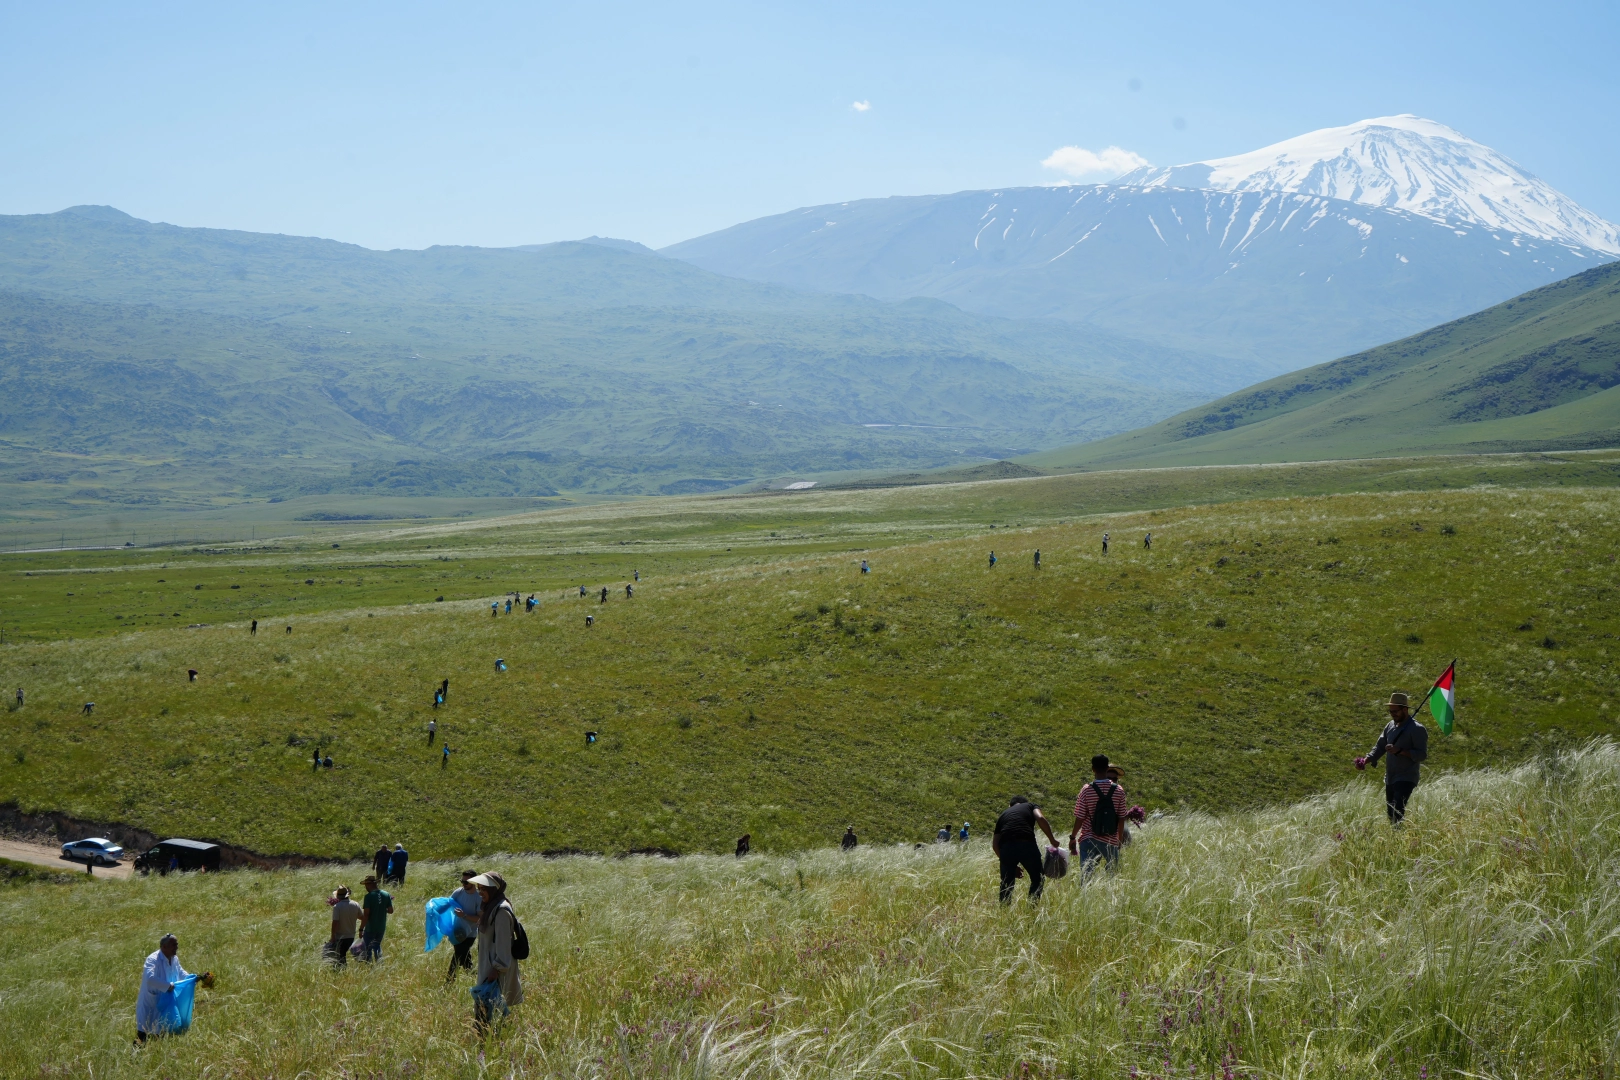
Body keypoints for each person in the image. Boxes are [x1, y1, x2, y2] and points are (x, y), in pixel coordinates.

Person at [1357, 691, 1430, 823]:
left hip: (1407, 777)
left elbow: (1422, 755)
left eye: (1395, 711)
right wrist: (1367, 760)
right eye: (1391, 711)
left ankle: (1399, 837)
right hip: (1390, 777)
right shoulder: (1390, 726)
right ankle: (1396, 837)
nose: (1393, 714)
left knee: (1397, 810)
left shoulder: (1417, 729)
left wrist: (1400, 751)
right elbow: (1380, 747)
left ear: (1405, 709)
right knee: (1391, 813)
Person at [469, 870, 523, 1032]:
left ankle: (492, 1042)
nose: (480, 893)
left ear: (493, 890)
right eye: (478, 889)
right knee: (488, 1009)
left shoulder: (501, 912)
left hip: (496, 969)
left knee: (492, 1009)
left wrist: (497, 968)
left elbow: (504, 944)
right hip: (489, 965)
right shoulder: (490, 907)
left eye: (483, 889)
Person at [1070, 754, 1131, 876]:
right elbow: (1121, 818)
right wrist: (1119, 840)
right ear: (1107, 768)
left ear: (1093, 769)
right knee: (1112, 875)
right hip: (1111, 839)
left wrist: (1073, 837)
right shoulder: (1118, 790)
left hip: (1089, 838)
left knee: (1087, 876)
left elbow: (1080, 817)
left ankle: (1086, 894)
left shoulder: (1087, 789)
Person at [993, 796, 1060, 902]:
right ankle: (1032, 908)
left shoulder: (1003, 814)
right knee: (1038, 879)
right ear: (1024, 803)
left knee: (1006, 883)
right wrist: (1052, 840)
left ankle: (1004, 911)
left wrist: (1009, 863)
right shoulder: (1031, 805)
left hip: (1006, 848)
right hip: (1026, 844)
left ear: (1010, 805)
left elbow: (995, 844)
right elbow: (1041, 818)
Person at [135, 933, 191, 1043]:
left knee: (161, 1034)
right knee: (143, 1034)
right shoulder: (152, 959)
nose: (176, 947)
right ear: (164, 947)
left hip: (165, 1004)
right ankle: (135, 1057)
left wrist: (194, 978)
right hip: (151, 1003)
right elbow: (150, 978)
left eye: (177, 944)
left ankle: (154, 1057)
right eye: (173, 945)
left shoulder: (174, 959)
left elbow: (181, 973)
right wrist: (167, 986)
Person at [447, 869, 482, 981]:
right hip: (457, 931)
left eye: (466, 882)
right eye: (462, 881)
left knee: (458, 956)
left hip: (470, 934)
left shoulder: (479, 897)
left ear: (474, 882)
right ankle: (474, 976)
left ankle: (449, 981)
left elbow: (479, 918)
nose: (464, 884)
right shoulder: (458, 892)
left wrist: (464, 915)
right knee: (465, 958)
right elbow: (448, 904)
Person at [359, 875, 393, 961]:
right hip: (381, 926)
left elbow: (366, 914)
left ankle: (369, 965)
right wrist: (381, 909)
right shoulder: (386, 894)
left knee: (368, 948)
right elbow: (390, 910)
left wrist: (361, 929)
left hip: (370, 927)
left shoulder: (368, 897)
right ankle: (379, 963)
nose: (365, 887)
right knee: (377, 946)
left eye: (366, 885)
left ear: (369, 885)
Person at [328, 886, 361, 966]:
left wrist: (332, 936)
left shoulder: (337, 907)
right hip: (351, 935)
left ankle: (342, 972)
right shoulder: (355, 904)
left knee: (340, 957)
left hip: (340, 936)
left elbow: (335, 922)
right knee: (343, 955)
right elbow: (362, 917)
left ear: (338, 896)